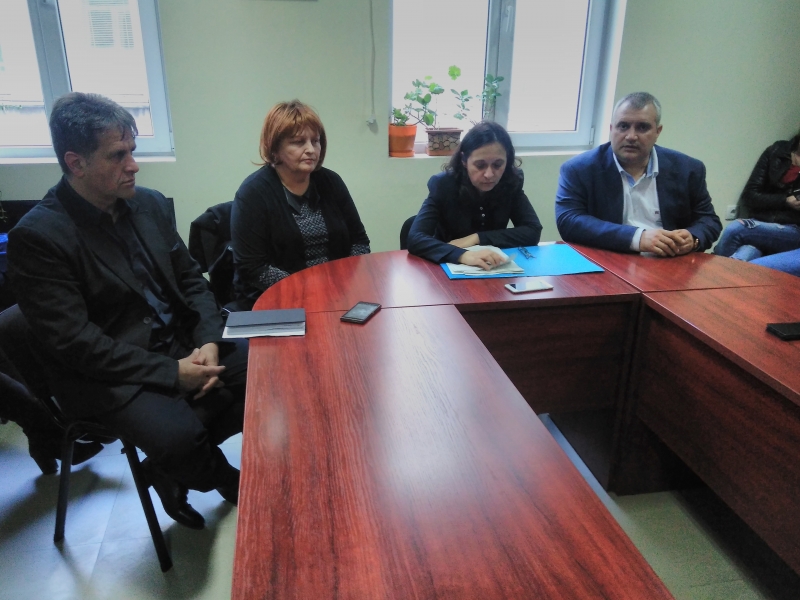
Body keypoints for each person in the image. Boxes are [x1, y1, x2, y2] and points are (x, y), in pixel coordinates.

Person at [8, 92, 247, 530]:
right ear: (76, 163)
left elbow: (191, 280)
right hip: (110, 372)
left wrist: (208, 341)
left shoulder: (148, 204)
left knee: (277, 374)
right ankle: (220, 476)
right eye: (118, 155)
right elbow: (77, 344)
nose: (134, 165)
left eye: (133, 151)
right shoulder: (39, 237)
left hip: (181, 343)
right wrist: (172, 373)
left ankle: (164, 467)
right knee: (180, 438)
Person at [231, 100, 370, 309]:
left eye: (315, 141)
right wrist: (308, 289)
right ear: (274, 149)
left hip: (337, 294)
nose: (311, 150)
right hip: (278, 300)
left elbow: (359, 241)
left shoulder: (331, 182)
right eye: (298, 142)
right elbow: (253, 267)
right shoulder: (253, 193)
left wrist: (342, 280)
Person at [555, 92, 722, 256]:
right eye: (623, 126)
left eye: (642, 127)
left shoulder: (688, 169)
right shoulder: (579, 169)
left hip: (669, 262)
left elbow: (709, 220)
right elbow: (569, 220)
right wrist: (637, 238)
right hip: (610, 259)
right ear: (611, 129)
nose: (631, 136)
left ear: (658, 132)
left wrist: (693, 238)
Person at [407, 121, 542, 269]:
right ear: (464, 160)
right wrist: (463, 255)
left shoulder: (511, 182)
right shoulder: (443, 184)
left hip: (493, 268)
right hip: (446, 269)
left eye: (498, 165)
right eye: (480, 165)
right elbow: (415, 238)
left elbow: (533, 230)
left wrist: (477, 238)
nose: (489, 174)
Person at [713, 130, 800, 276]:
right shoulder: (777, 151)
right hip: (761, 224)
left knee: (736, 229)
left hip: (794, 229)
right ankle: (714, 282)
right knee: (741, 258)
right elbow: (750, 195)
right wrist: (785, 200)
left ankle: (712, 278)